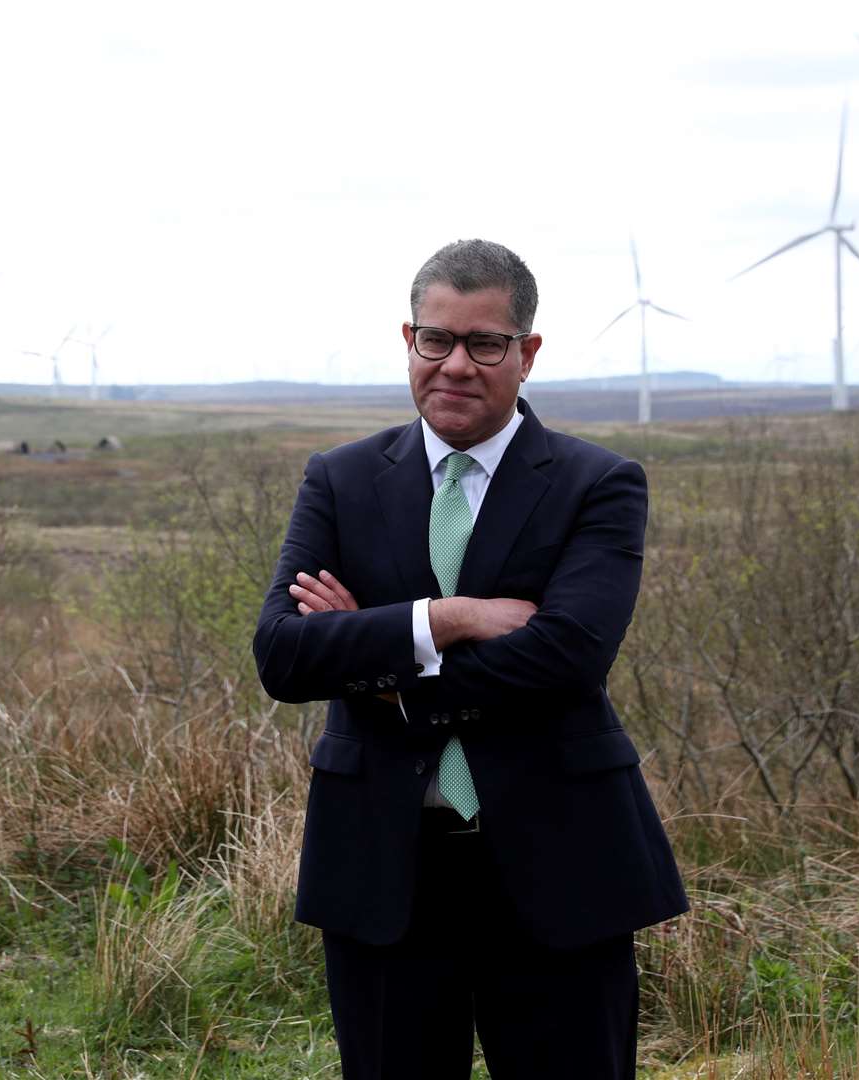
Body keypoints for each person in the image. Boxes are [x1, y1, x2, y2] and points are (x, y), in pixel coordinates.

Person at [253, 239, 688, 1078]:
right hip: (382, 868)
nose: (454, 365)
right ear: (407, 339)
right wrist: (448, 619)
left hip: (560, 864)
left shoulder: (597, 483)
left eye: (484, 343)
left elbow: (567, 657)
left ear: (527, 354)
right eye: (434, 339)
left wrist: (379, 663)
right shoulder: (339, 481)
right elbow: (284, 655)